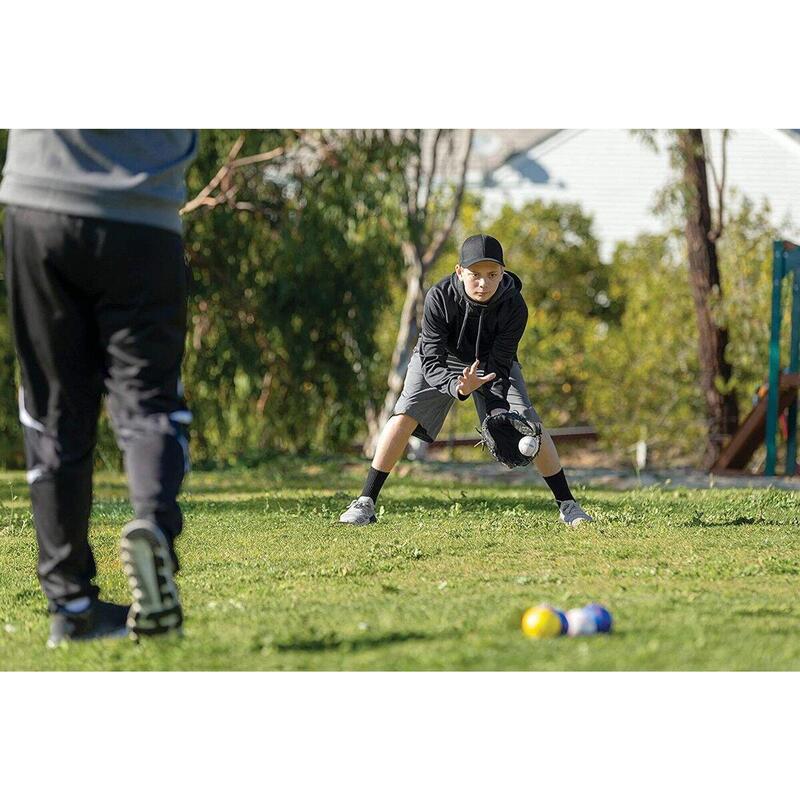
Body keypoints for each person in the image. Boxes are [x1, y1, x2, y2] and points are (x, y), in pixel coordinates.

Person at [0, 129, 197, 646]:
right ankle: (153, 525)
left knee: (53, 409)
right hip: (143, 214)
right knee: (149, 402)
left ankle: (72, 606)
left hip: (37, 201)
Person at [339, 233, 593, 527]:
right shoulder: (439, 297)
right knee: (405, 414)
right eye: (475, 274)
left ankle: (568, 506)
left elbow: (501, 361)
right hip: (441, 359)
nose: (483, 283)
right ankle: (365, 502)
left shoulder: (515, 306)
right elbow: (430, 360)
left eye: (492, 274)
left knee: (528, 421)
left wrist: (498, 412)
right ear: (460, 272)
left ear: (503, 272)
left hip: (491, 364)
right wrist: (458, 386)